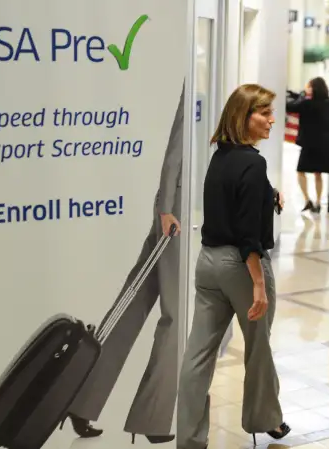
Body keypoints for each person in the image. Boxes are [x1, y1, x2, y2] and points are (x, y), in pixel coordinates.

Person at [64, 84, 185, 445]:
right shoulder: (196, 75)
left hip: (177, 211)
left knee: (131, 307)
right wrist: (166, 207)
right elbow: (177, 149)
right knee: (175, 319)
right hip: (176, 215)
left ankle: (80, 400)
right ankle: (154, 421)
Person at [177, 84, 290, 449]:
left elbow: (234, 195)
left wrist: (270, 196)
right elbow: (247, 235)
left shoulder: (221, 155)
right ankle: (264, 419)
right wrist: (258, 284)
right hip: (242, 266)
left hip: (208, 263)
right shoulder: (254, 163)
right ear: (244, 116)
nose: (273, 119)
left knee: (197, 356)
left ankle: (191, 439)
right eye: (265, 113)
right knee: (258, 346)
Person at [286, 77, 329, 213]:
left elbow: (291, 105)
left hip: (309, 144)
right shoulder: (328, 103)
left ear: (313, 89)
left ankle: (307, 200)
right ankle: (319, 202)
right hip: (324, 144)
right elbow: (302, 100)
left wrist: (300, 94)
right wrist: (299, 94)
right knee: (318, 174)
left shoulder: (306, 104)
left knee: (301, 172)